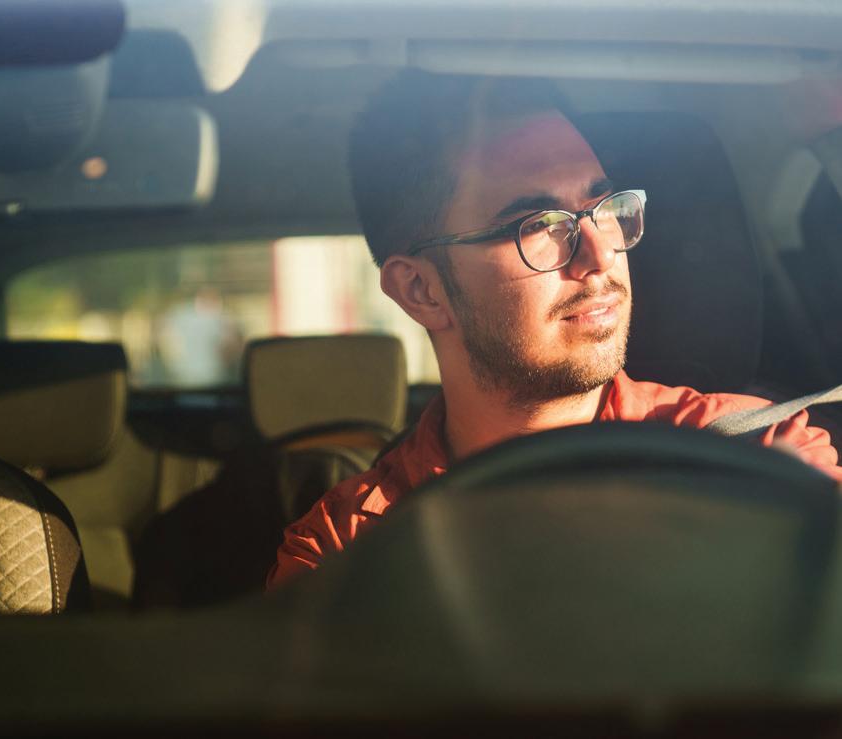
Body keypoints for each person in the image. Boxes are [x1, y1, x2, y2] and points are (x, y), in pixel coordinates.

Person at [267, 70, 842, 588]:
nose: (600, 255)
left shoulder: (762, 456)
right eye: (539, 225)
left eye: (605, 208)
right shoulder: (346, 554)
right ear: (422, 290)